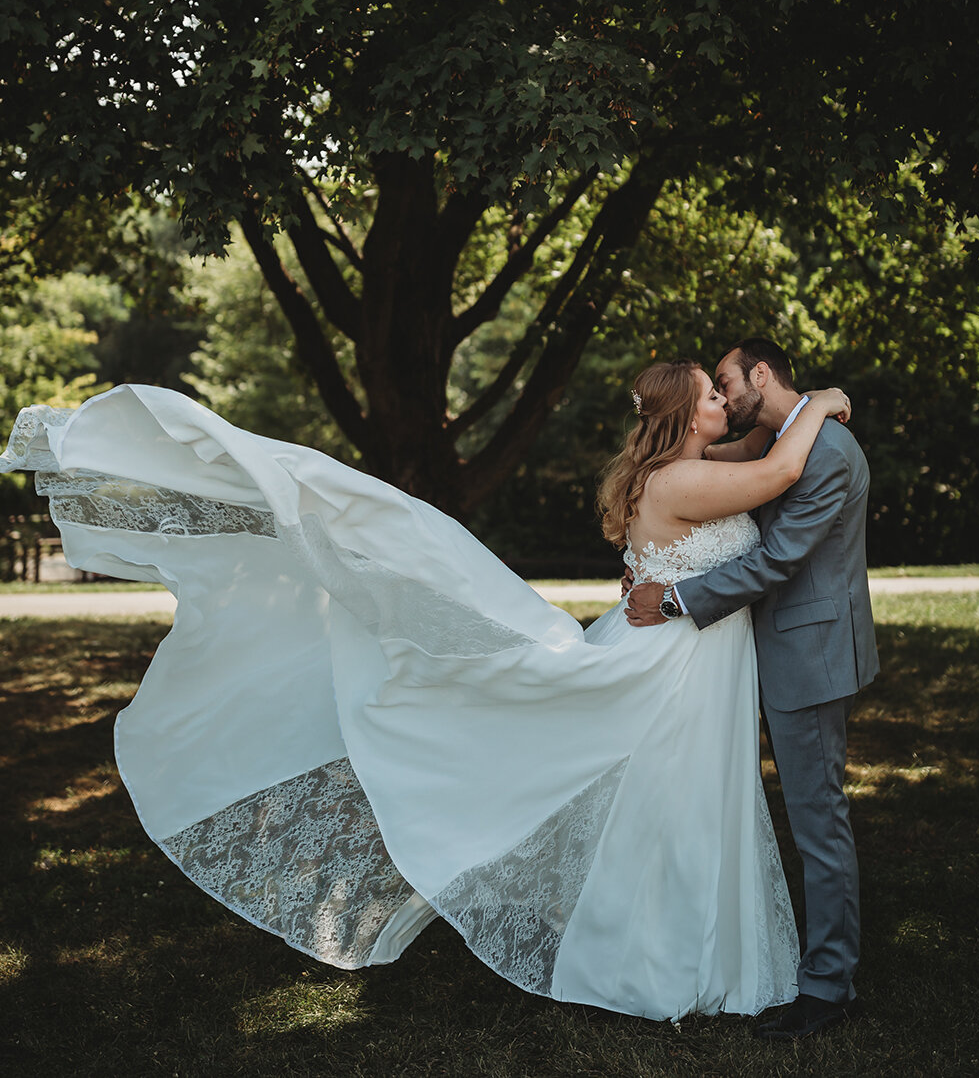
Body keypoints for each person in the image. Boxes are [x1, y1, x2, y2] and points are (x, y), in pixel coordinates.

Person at [0, 367, 848, 1023]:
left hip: (681, 655)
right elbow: (777, 472)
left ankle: (676, 949)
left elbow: (752, 463)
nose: (722, 407)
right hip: (673, 668)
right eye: (710, 398)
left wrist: (793, 414)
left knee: (676, 805)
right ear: (681, 416)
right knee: (675, 805)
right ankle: (662, 961)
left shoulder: (682, 469)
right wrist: (826, 397)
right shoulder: (682, 483)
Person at [624, 337, 878, 1040]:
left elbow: (776, 560)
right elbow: (713, 473)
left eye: (727, 383)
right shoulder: (782, 439)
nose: (725, 398)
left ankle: (828, 988)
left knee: (818, 821)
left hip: (809, 652)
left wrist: (672, 597)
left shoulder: (823, 451)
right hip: (753, 654)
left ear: (759, 376)